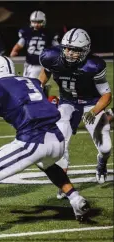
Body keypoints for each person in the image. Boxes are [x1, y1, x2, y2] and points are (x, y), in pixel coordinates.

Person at [0, 56, 90, 241]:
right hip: (56, 139)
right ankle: (76, 199)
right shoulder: (31, 81)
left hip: (34, 139)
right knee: (46, 164)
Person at [39, 28, 112, 193]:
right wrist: (39, 88)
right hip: (67, 102)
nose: (70, 53)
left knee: (106, 148)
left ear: (85, 50)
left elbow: (106, 95)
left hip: (91, 103)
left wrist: (93, 111)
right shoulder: (51, 57)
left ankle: (102, 163)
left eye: (76, 50)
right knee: (60, 144)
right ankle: (64, 183)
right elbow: (44, 75)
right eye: (67, 48)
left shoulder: (93, 65)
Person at [10, 10, 59, 96]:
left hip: (40, 65)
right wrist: (14, 51)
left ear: (43, 21)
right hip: (28, 64)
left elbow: (57, 48)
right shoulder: (27, 33)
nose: (36, 24)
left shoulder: (49, 33)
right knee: (27, 83)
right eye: (34, 22)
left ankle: (41, 96)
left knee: (32, 86)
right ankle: (44, 91)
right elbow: (19, 44)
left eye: (39, 22)